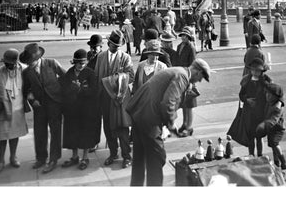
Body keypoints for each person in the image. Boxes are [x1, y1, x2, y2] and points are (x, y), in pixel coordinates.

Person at [126, 59, 211, 186]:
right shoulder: (182, 76)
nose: (199, 81)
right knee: (157, 157)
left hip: (139, 113)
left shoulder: (178, 71)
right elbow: (168, 102)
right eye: (201, 77)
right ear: (197, 72)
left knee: (140, 157)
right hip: (149, 118)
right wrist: (171, 124)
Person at [21, 43, 66, 173]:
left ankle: (53, 159)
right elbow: (27, 89)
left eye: (31, 62)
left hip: (55, 103)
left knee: (55, 131)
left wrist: (60, 94)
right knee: (39, 132)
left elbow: (65, 77)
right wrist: (32, 100)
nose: (30, 65)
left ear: (38, 58)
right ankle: (41, 158)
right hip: (39, 106)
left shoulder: (52, 63)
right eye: (28, 63)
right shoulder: (27, 72)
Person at [92, 30, 135, 169]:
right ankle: (113, 153)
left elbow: (130, 75)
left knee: (122, 128)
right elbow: (97, 76)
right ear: (108, 43)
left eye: (118, 45)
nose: (116, 47)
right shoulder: (100, 57)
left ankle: (127, 156)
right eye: (113, 45)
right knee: (108, 128)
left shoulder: (125, 57)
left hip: (119, 98)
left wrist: (116, 81)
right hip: (105, 98)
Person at [0, 49, 29, 174]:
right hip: (2, 108)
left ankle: (13, 157)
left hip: (18, 107)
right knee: (1, 136)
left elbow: (30, 84)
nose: (7, 65)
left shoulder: (24, 69)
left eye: (10, 63)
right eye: (6, 63)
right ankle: (0, 161)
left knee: (14, 134)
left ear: (16, 62)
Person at [60, 49, 100, 171]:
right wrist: (71, 89)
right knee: (72, 132)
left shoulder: (90, 73)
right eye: (78, 63)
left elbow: (95, 91)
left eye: (83, 63)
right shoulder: (69, 73)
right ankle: (74, 156)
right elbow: (63, 90)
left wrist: (81, 89)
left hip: (86, 110)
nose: (81, 65)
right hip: (72, 109)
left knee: (85, 133)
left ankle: (85, 157)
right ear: (74, 62)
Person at [238, 57, 271, 157]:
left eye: (257, 70)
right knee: (250, 136)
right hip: (249, 112)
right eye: (253, 70)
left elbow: (270, 94)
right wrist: (247, 100)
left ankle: (260, 155)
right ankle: (251, 154)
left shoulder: (266, 80)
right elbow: (241, 94)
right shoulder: (246, 80)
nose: (255, 72)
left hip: (260, 112)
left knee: (259, 136)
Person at [255, 81, 286, 170]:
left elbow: (273, 120)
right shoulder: (270, 102)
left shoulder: (278, 108)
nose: (267, 96)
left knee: (275, 144)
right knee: (272, 145)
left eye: (270, 95)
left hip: (277, 129)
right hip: (270, 128)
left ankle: (283, 161)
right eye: (267, 94)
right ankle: (277, 162)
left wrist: (263, 125)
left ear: (276, 97)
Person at [175, 27, 198, 137]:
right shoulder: (179, 46)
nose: (183, 37)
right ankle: (185, 123)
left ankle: (189, 126)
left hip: (188, 78)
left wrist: (191, 81)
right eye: (182, 35)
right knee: (184, 103)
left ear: (189, 36)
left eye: (185, 35)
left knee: (189, 104)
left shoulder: (191, 47)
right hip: (181, 77)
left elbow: (193, 65)